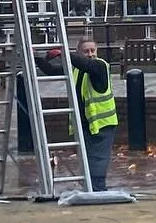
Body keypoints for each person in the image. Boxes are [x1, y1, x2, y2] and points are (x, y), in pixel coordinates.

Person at [40, 39, 119, 191]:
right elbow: (51, 71)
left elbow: (88, 65)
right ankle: (91, 189)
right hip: (86, 122)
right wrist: (35, 57)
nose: (90, 54)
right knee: (88, 160)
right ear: (79, 53)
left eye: (93, 51)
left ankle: (98, 190)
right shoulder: (76, 69)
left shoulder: (100, 66)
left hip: (103, 123)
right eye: (86, 51)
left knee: (98, 160)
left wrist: (64, 53)